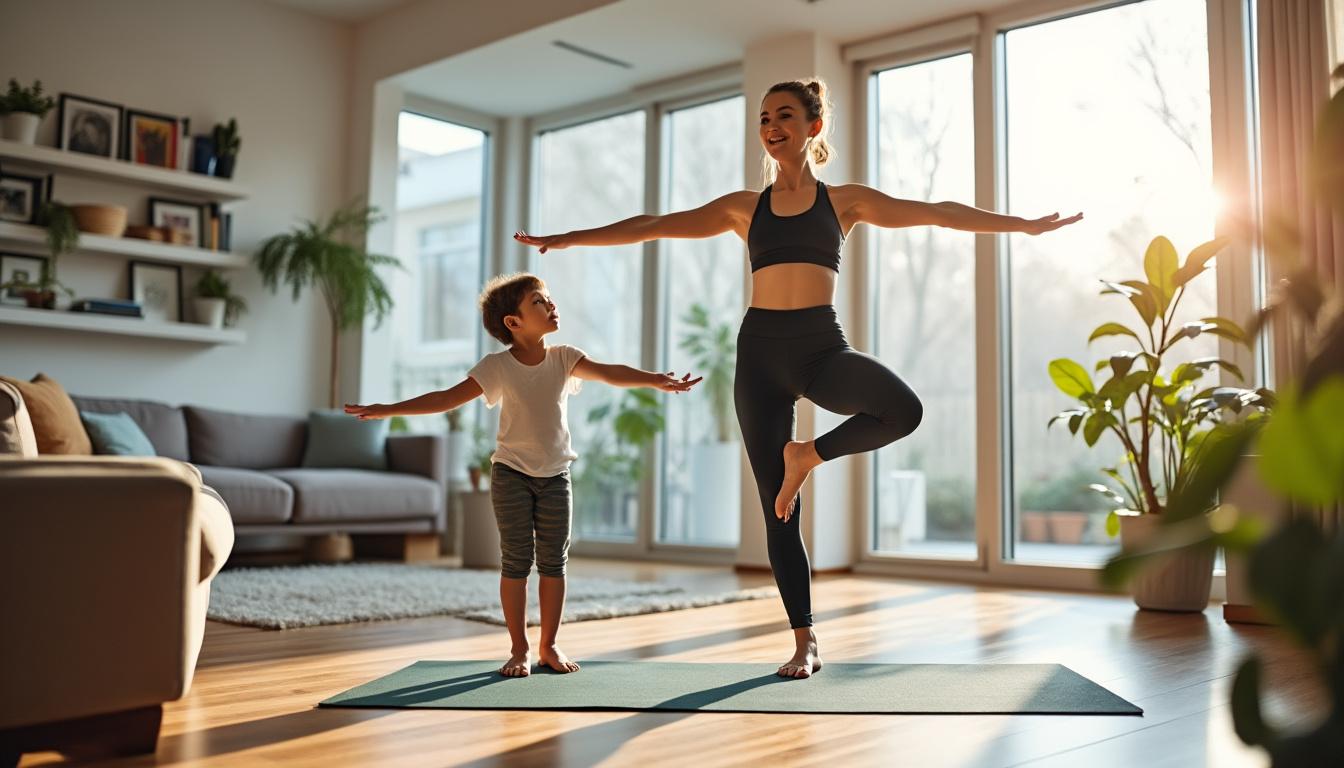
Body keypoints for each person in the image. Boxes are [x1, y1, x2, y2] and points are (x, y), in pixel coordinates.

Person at [514, 77, 1082, 679]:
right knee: (777, 512)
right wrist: (567, 238)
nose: (771, 125)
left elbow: (937, 213)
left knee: (903, 410)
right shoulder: (743, 208)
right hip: (759, 356)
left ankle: (807, 455)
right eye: (763, 118)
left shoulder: (845, 202)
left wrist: (1022, 226)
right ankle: (804, 640)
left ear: (813, 127)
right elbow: (653, 223)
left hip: (819, 350)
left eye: (784, 114)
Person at [345, 272, 701, 677]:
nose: (551, 304)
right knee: (516, 562)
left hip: (555, 476)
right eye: (538, 300)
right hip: (511, 473)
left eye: (548, 297)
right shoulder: (497, 367)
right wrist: (387, 410)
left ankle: (548, 645)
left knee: (554, 562)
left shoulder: (564, 357)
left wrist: (656, 380)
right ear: (513, 323)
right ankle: (519, 648)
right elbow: (446, 399)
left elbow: (609, 372)